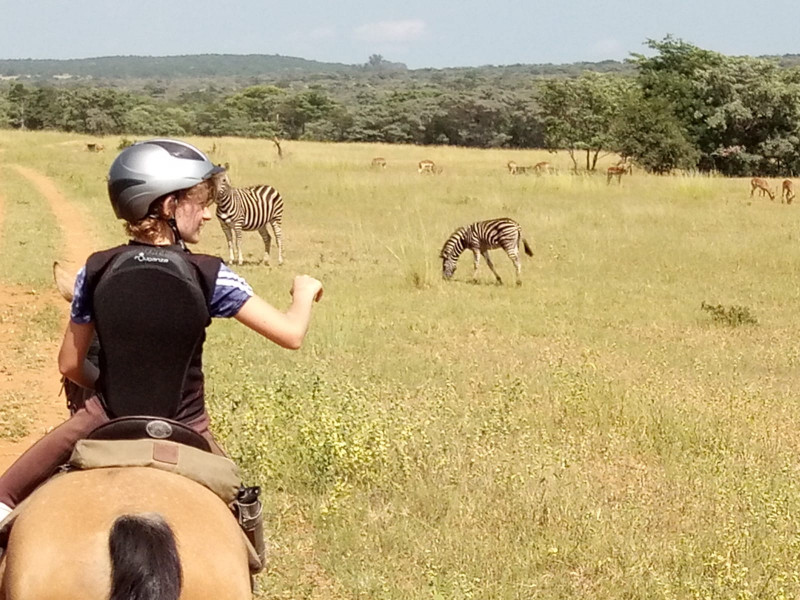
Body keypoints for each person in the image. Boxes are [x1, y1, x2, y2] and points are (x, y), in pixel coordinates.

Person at [0, 139, 323, 519]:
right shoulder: (210, 273)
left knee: (5, 494)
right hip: (188, 424)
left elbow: (70, 365)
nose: (205, 215)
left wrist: (109, 387)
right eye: (200, 203)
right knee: (242, 515)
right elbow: (291, 334)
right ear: (169, 205)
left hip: (104, 417)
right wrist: (304, 292)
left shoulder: (95, 269)